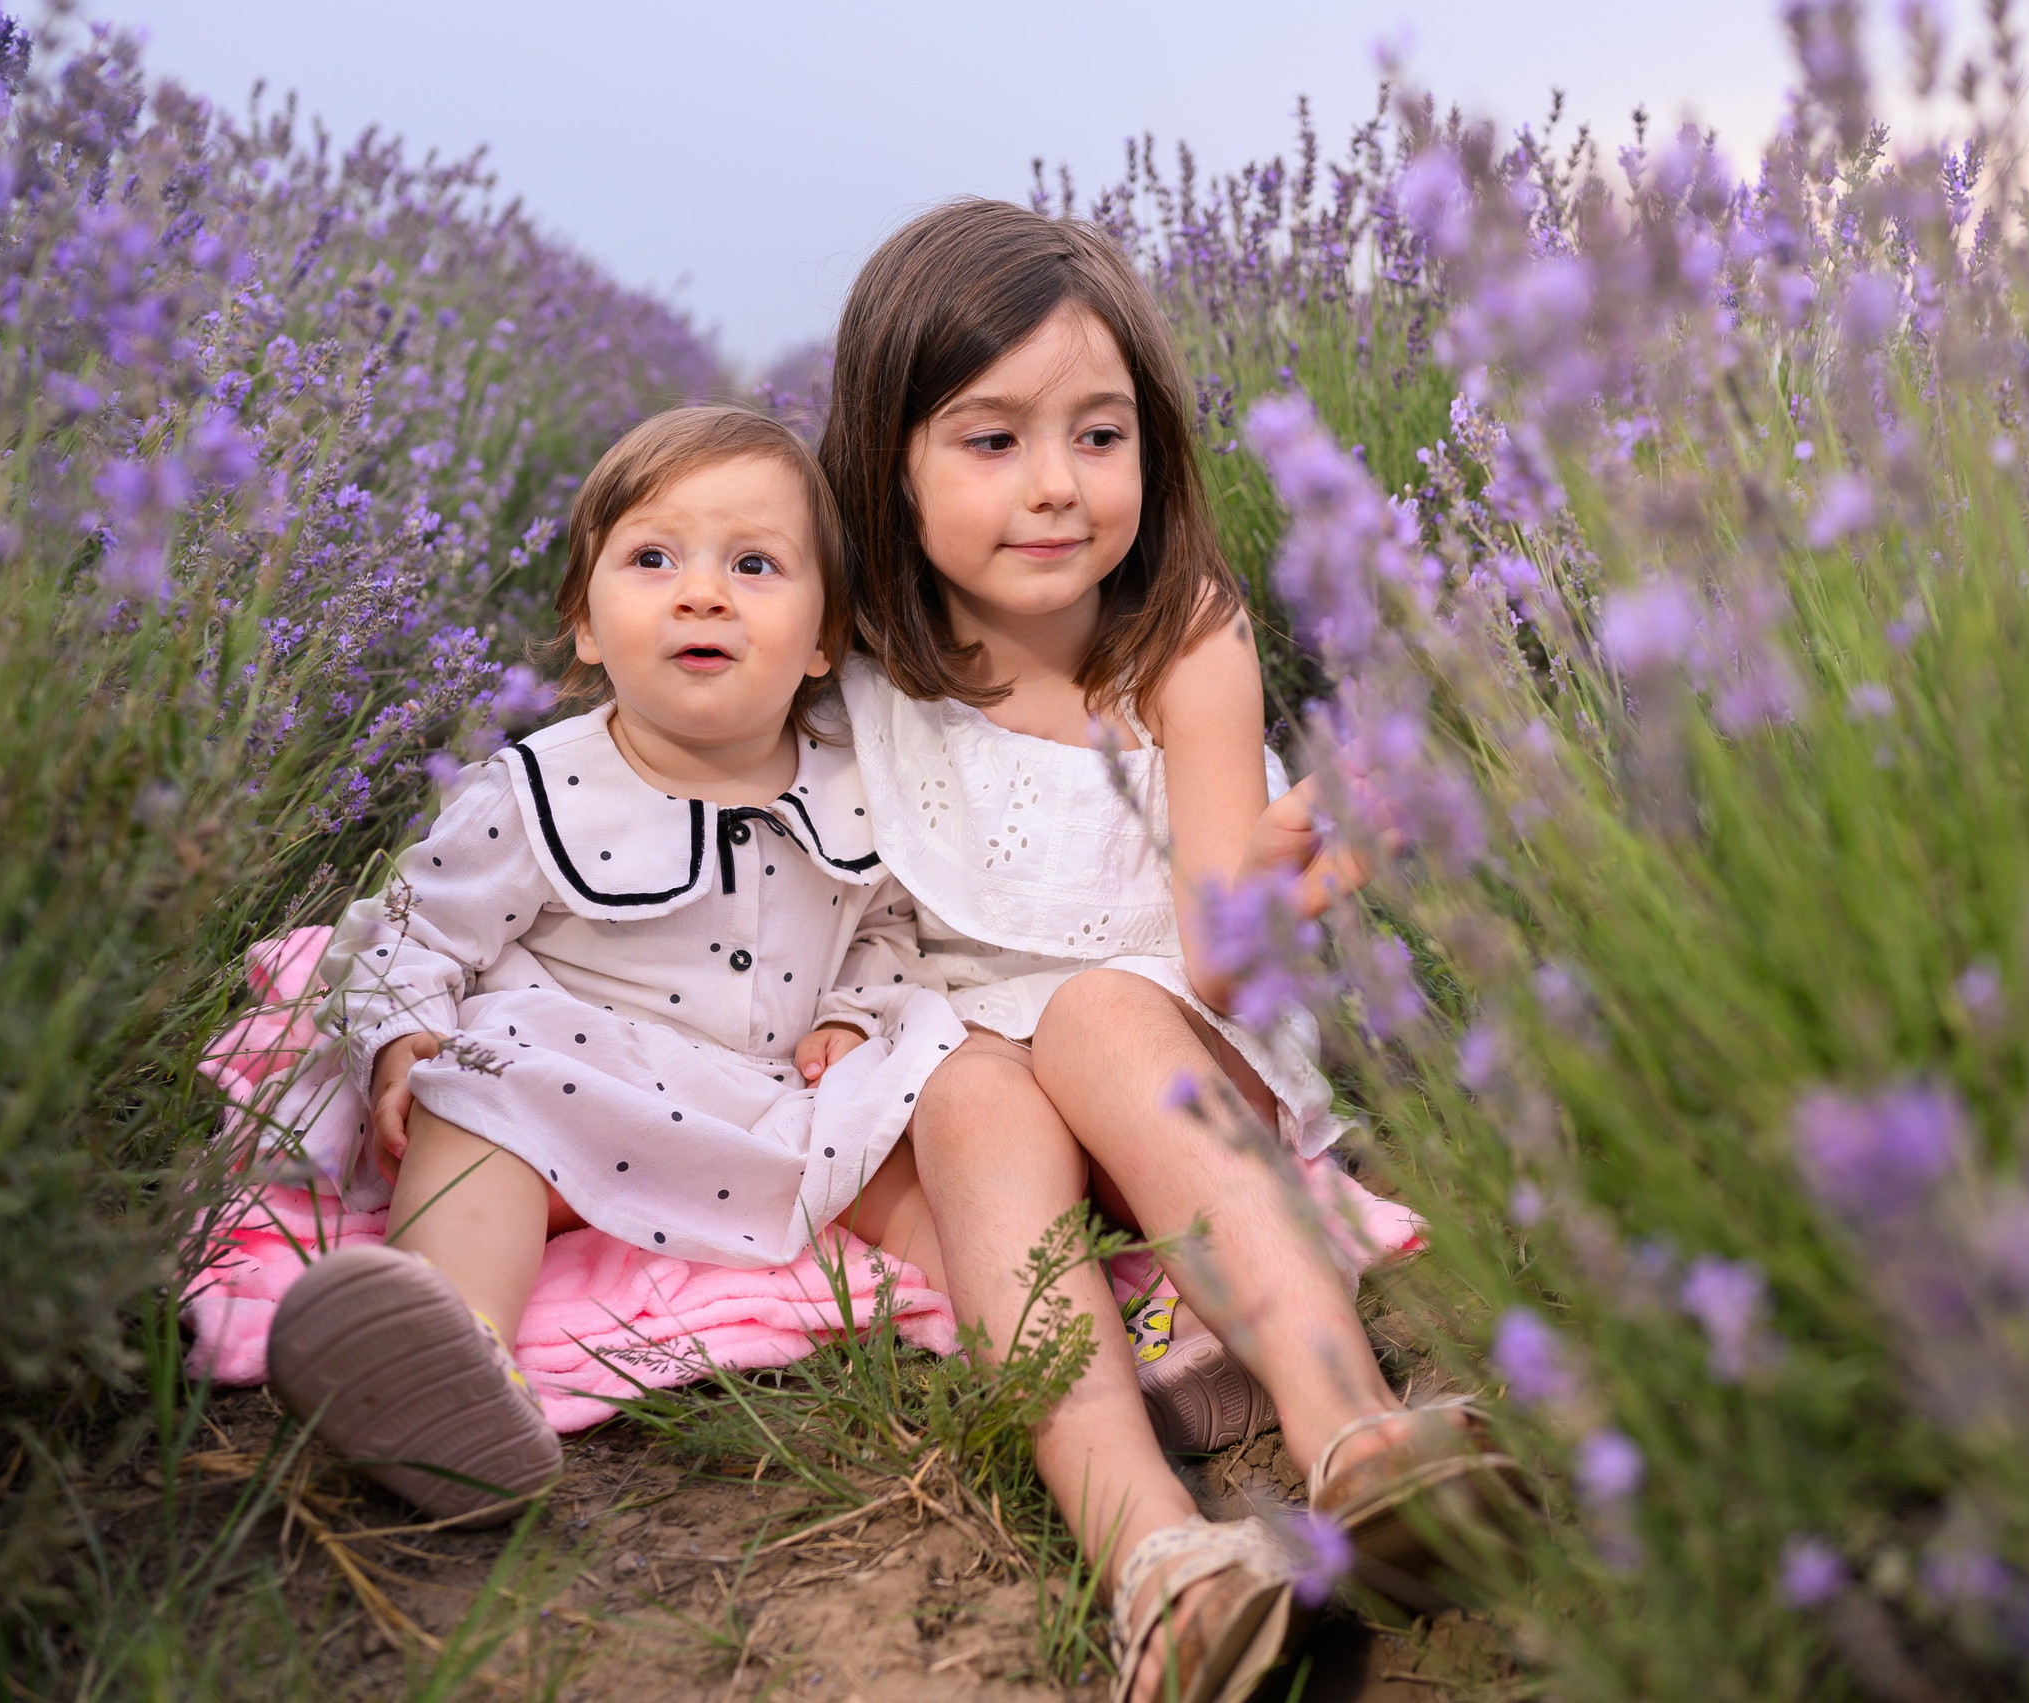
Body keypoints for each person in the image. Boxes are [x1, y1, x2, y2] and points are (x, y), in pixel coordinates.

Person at [824, 199, 1523, 1703]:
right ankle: (1158, 1560)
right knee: (968, 1089)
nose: (1058, 485)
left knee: (1086, 1017)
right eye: (992, 440)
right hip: (982, 1102)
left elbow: (1212, 951)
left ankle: (1352, 1433)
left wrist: (1293, 868)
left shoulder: (1182, 635)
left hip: (1170, 1051)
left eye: (1100, 433)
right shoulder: (864, 660)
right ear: (890, 459)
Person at [263, 406, 968, 1525]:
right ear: (585, 623)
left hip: (775, 1105)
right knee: (473, 1099)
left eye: (753, 563)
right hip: (575, 1090)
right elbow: (414, 927)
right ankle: (452, 1360)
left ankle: (1047, 1328)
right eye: (651, 558)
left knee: (926, 1148)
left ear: (826, 637)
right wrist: (403, 1036)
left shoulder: (851, 787)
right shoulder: (541, 788)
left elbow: (884, 925)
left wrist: (848, 1006)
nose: (701, 592)